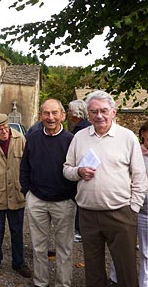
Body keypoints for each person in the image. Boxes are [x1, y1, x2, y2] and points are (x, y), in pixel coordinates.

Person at [63, 90, 147, 287]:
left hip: (120, 213)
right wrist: (79, 171)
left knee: (126, 268)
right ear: (88, 114)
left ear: (113, 112)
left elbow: (139, 176)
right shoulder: (79, 137)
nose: (99, 115)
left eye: (103, 111)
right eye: (93, 111)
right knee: (93, 269)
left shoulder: (127, 137)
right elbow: (66, 169)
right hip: (88, 214)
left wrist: (133, 208)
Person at [20, 98, 77, 287]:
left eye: (54, 113)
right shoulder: (33, 138)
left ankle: (63, 283)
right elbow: (24, 167)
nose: (50, 117)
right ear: (40, 115)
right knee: (38, 246)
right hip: (37, 199)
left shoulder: (71, 141)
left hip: (64, 202)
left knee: (64, 248)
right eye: (46, 113)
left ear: (62, 115)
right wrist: (27, 192)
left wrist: (73, 198)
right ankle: (40, 282)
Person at [0, 113, 31, 278]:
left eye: (5, 127)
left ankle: (19, 262)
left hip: (17, 192)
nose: (4, 131)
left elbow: (28, 165)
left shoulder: (20, 138)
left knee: (17, 230)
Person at [109, 121, 148, 287]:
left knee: (146, 252)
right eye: (145, 137)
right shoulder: (135, 152)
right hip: (132, 209)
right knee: (122, 247)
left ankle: (144, 283)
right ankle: (115, 278)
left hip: (146, 212)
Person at [67, 99, 91, 243]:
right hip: (79, 169)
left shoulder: (82, 129)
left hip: (82, 169)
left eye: (69, 110)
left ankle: (80, 230)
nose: (68, 113)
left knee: (80, 199)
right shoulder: (78, 127)